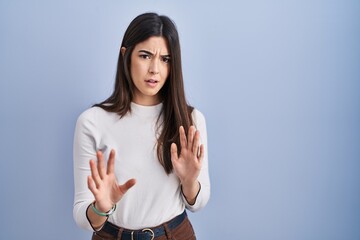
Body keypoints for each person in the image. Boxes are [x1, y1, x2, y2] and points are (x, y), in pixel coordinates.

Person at [73, 12, 210, 240]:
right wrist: (101, 207)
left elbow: (199, 202)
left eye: (165, 59)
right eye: (145, 56)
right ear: (126, 55)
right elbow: (82, 216)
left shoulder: (190, 120)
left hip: (175, 234)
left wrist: (189, 182)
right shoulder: (92, 122)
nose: (155, 69)